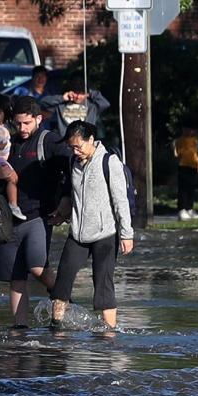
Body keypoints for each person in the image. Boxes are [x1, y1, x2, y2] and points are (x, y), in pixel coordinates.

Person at [0, 96, 71, 327]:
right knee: (15, 278)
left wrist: (66, 200)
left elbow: (71, 168)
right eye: (18, 124)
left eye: (26, 123)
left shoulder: (50, 141)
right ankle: (19, 327)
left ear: (38, 119)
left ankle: (63, 296)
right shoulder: (8, 143)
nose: (22, 128)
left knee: (37, 267)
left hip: (38, 216)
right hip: (8, 218)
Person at [49, 121, 134, 328]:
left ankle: (110, 333)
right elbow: (72, 195)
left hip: (106, 233)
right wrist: (61, 213)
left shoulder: (109, 162)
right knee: (62, 281)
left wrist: (126, 234)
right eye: (71, 147)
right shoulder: (73, 163)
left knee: (103, 283)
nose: (75, 151)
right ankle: (56, 327)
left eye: (78, 146)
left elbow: (120, 200)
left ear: (91, 140)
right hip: (78, 233)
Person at [39, 78, 110, 135]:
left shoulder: (92, 107)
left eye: (82, 93)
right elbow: (43, 102)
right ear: (70, 92)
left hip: (85, 141)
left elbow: (105, 104)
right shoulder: (61, 105)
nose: (78, 96)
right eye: (76, 93)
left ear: (86, 94)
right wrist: (62, 98)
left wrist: (91, 93)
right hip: (65, 141)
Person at [173, 122, 198, 220]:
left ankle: (189, 208)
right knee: (183, 189)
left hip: (193, 166)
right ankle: (182, 209)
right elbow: (177, 154)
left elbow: (196, 154)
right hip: (183, 166)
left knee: (191, 188)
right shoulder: (180, 141)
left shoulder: (195, 141)